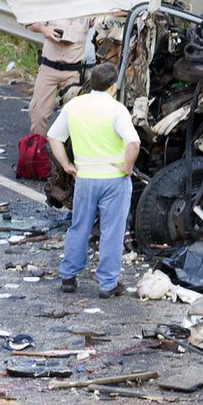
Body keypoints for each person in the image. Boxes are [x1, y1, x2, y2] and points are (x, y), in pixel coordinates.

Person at [46, 63, 139, 299]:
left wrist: (67, 165)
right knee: (112, 231)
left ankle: (68, 276)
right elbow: (133, 142)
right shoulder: (117, 110)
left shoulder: (74, 106)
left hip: (85, 177)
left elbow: (54, 137)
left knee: (79, 226)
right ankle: (108, 284)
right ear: (113, 86)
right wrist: (127, 166)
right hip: (113, 180)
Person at [27, 17, 93, 137]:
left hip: (73, 72)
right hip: (49, 68)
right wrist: (44, 29)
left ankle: (66, 150)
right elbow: (29, 22)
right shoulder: (56, 6)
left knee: (74, 115)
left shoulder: (87, 10)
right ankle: (38, 148)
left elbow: (103, 19)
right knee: (39, 113)